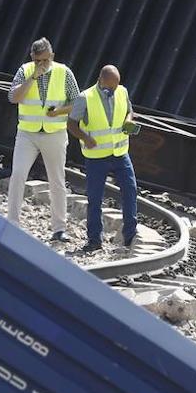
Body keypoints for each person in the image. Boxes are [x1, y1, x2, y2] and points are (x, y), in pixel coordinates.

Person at [5, 38, 78, 242]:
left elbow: (77, 102)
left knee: (56, 180)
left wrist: (59, 112)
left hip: (54, 133)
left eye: (45, 60)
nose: (42, 64)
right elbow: (13, 98)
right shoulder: (25, 70)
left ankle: (59, 228)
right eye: (38, 60)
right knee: (18, 174)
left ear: (52, 56)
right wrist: (32, 78)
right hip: (28, 133)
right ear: (32, 57)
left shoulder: (64, 73)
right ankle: (12, 223)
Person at [68, 64, 138, 253]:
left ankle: (130, 235)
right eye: (110, 86)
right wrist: (85, 138)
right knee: (95, 198)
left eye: (116, 86)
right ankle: (94, 240)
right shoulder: (85, 98)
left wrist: (129, 120)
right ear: (101, 80)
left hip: (120, 153)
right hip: (97, 156)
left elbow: (129, 110)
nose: (114, 90)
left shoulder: (122, 91)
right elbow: (71, 124)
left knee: (130, 190)